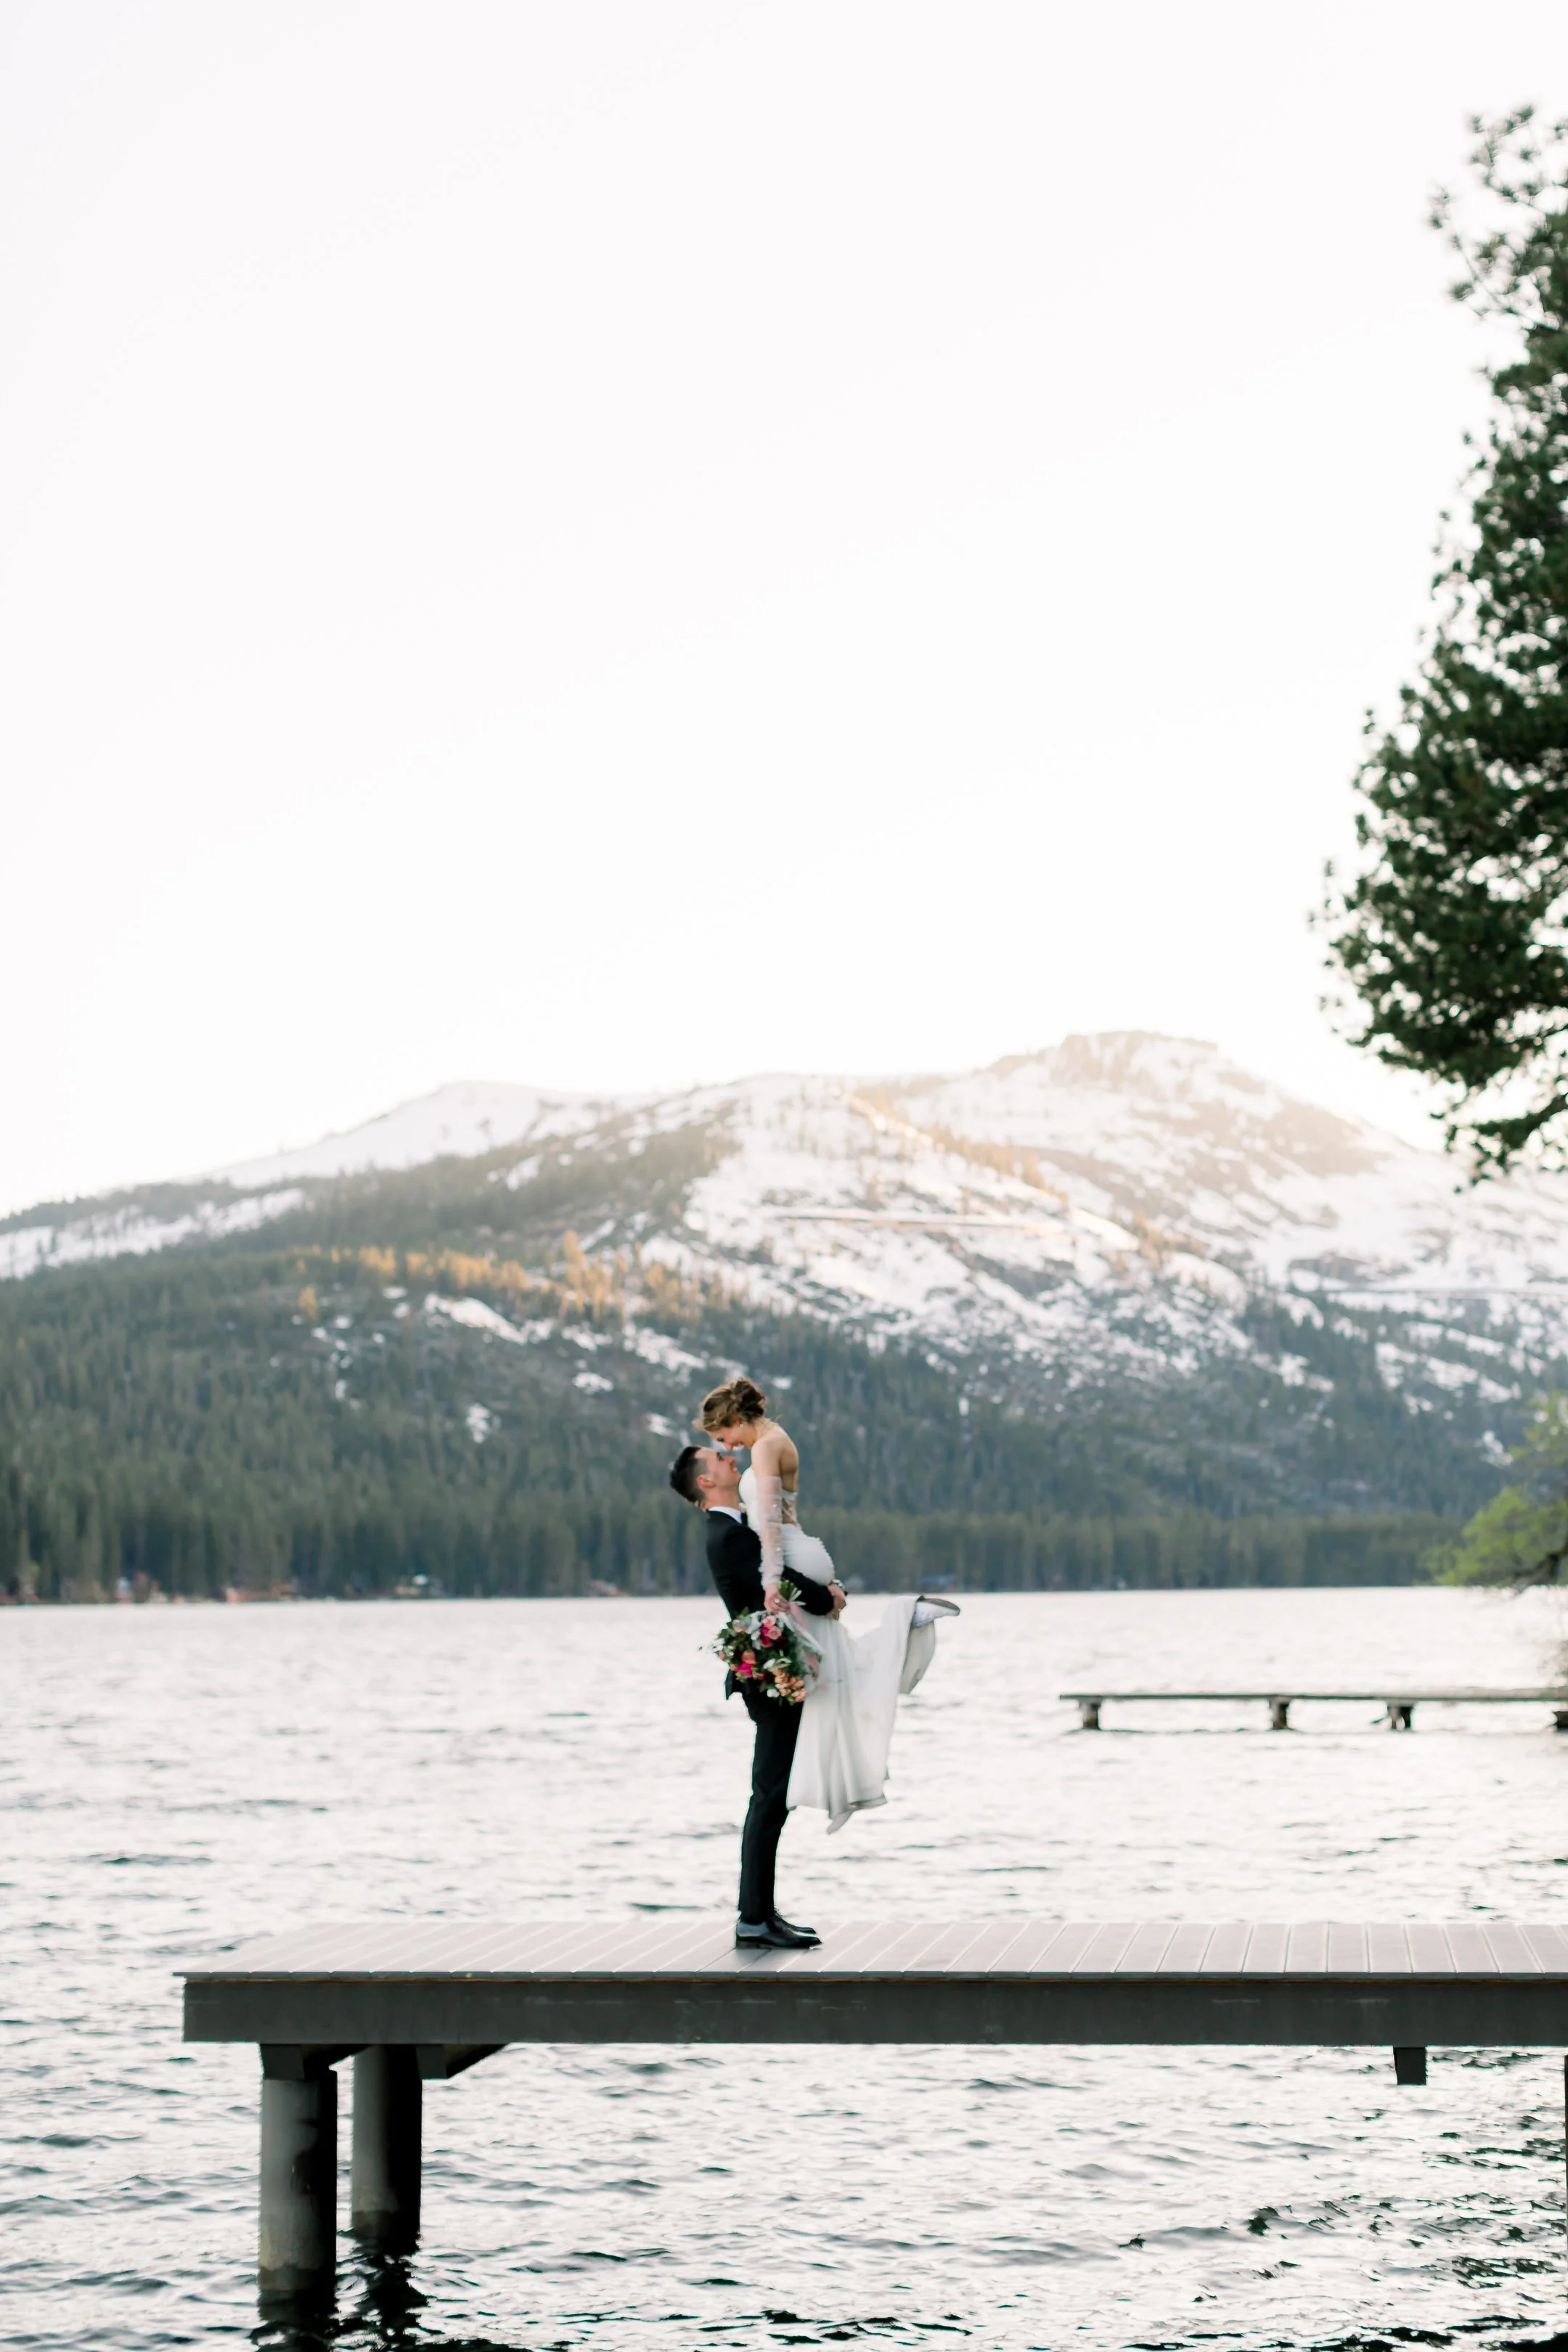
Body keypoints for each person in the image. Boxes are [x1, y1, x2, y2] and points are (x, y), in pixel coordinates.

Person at [695, 1376, 957, 1835]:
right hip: (802, 1555)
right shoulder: (776, 1440)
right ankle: (904, 1624)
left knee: (839, 1675)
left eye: (723, 1437)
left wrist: (773, 1580)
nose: (728, 1448)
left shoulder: (765, 1447)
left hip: (789, 1558)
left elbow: (772, 1525)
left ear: (735, 1420)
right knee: (838, 1672)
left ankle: (904, 1619)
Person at [668, 1438, 836, 1951]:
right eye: (720, 1459)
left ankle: (761, 1913)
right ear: (704, 1481)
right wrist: (828, 1596)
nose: (731, 1459)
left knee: (774, 1797)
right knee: (769, 1797)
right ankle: (754, 1918)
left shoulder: (737, 1527)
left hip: (772, 1672)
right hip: (768, 1679)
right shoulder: (726, 1535)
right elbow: (780, 1582)